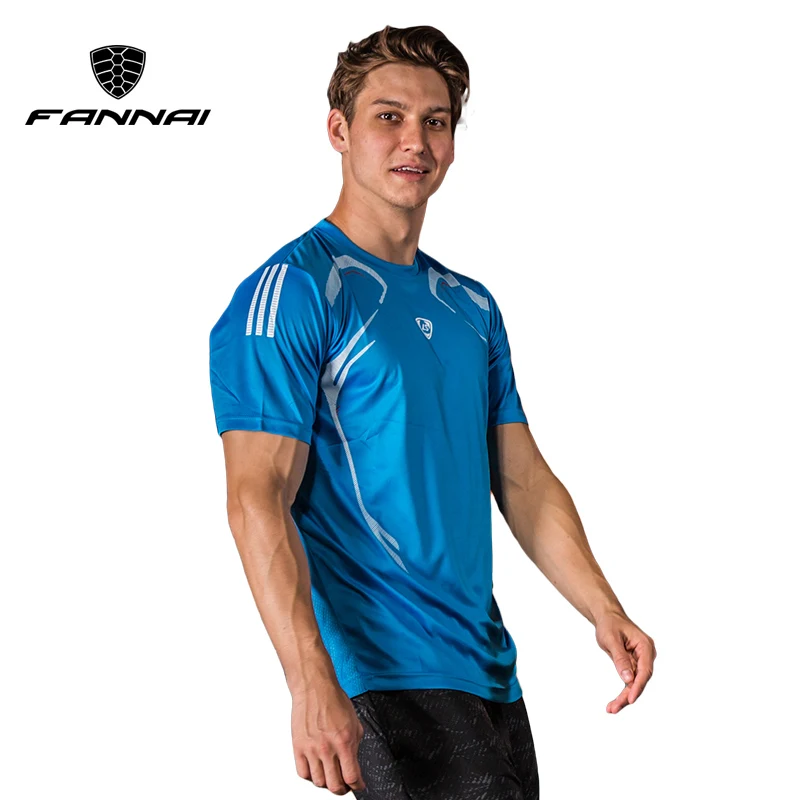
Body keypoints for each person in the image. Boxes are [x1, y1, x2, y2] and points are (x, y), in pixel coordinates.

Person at [208, 24, 656, 800]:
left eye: (436, 121)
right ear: (339, 130)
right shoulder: (294, 292)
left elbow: (522, 479)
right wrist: (309, 679)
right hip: (382, 676)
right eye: (389, 116)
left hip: (487, 676)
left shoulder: (470, 306)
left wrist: (602, 606)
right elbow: (256, 497)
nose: (415, 140)